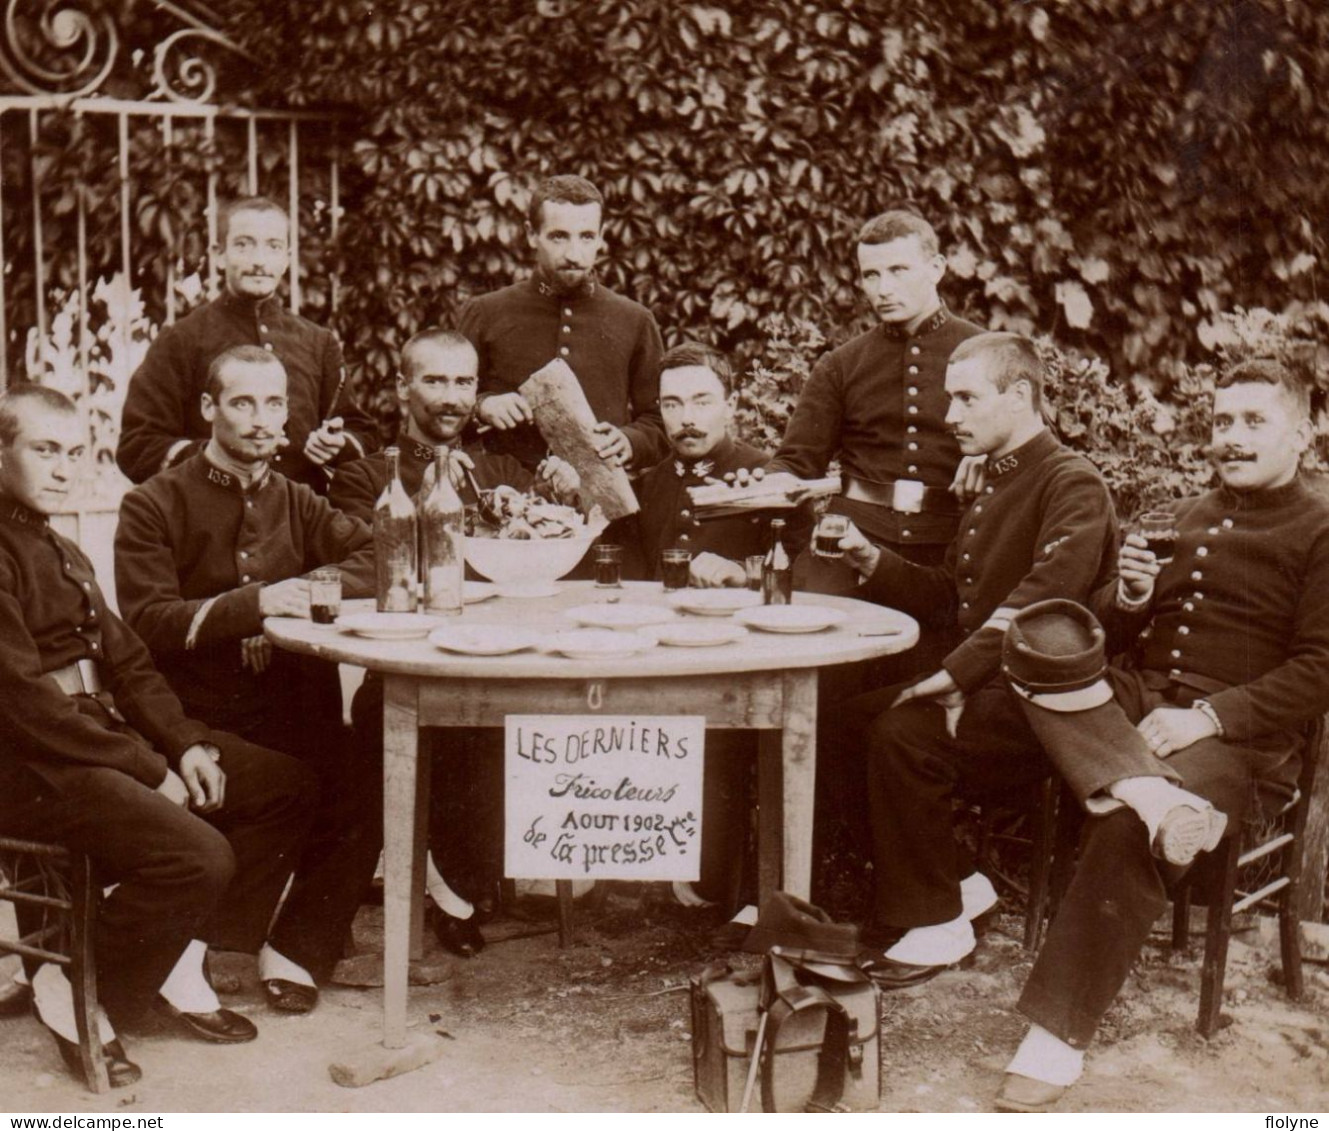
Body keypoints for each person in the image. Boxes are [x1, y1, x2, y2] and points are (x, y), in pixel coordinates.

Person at [991, 358, 1329, 1113]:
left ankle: (1054, 1035)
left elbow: (1319, 668)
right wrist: (1133, 597)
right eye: (1219, 422)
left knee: (1126, 827)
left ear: (1302, 434)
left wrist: (1208, 717)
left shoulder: (1321, 529)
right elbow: (1120, 631)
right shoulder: (1190, 512)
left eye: (1252, 422)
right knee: (1028, 658)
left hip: (1239, 738)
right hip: (1143, 707)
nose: (1230, 438)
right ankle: (1143, 786)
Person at [0, 385, 316, 1086]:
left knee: (283, 788)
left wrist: (185, 744)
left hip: (88, 740)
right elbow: (24, 704)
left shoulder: (59, 545)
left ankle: (173, 955)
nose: (63, 469)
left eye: (74, 453)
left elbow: (130, 663)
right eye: (44, 450)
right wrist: (147, 768)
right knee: (197, 857)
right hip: (28, 766)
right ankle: (67, 986)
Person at [839, 332, 1118, 985]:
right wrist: (869, 561)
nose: (950, 416)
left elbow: (1041, 599)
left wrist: (954, 674)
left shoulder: (1071, 482)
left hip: (1047, 701)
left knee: (903, 735)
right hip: (990, 680)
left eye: (966, 398)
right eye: (949, 399)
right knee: (842, 722)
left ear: (1019, 396)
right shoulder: (993, 481)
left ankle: (935, 926)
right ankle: (958, 884)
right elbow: (950, 597)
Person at [114, 345, 379, 1013]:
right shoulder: (152, 504)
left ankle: (297, 945)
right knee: (289, 783)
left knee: (366, 777)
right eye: (243, 402)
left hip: (293, 704)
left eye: (274, 403)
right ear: (208, 409)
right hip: (198, 711)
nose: (262, 420)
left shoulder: (298, 499)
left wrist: (307, 586)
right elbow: (146, 621)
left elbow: (377, 555)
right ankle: (212, 942)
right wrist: (255, 604)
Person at [330, 327, 579, 956]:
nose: (450, 396)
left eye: (463, 382)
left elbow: (542, 556)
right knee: (392, 724)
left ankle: (468, 886)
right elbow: (369, 567)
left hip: (501, 673)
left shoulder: (500, 470)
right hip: (410, 674)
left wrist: (562, 491)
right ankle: (447, 891)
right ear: (403, 386)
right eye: (434, 380)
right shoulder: (364, 478)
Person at [764, 209, 985, 592]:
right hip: (852, 540)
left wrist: (991, 456)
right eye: (871, 275)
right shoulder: (842, 364)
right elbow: (797, 460)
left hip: (951, 542)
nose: (883, 289)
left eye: (898, 270)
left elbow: (1034, 452)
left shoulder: (987, 354)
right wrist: (767, 480)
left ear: (936, 268)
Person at [117, 196, 378, 492]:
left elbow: (363, 434)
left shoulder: (318, 343)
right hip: (210, 522)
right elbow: (138, 446)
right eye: (243, 245)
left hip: (302, 526)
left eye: (273, 246)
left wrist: (337, 445)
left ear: (287, 258)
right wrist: (219, 458)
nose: (259, 261)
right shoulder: (180, 340)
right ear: (218, 254)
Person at [459, 174, 668, 474]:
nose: (573, 254)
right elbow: (442, 403)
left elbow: (660, 420)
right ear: (532, 235)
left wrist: (629, 441)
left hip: (602, 503)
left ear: (600, 237)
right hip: (504, 495)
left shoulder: (635, 320)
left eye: (586, 236)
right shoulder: (485, 312)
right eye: (559, 236)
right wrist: (482, 407)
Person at [631, 341, 772, 587]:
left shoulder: (766, 475)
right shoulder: (646, 487)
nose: (686, 419)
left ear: (730, 406)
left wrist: (743, 573)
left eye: (702, 402)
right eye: (671, 405)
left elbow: (803, 572)